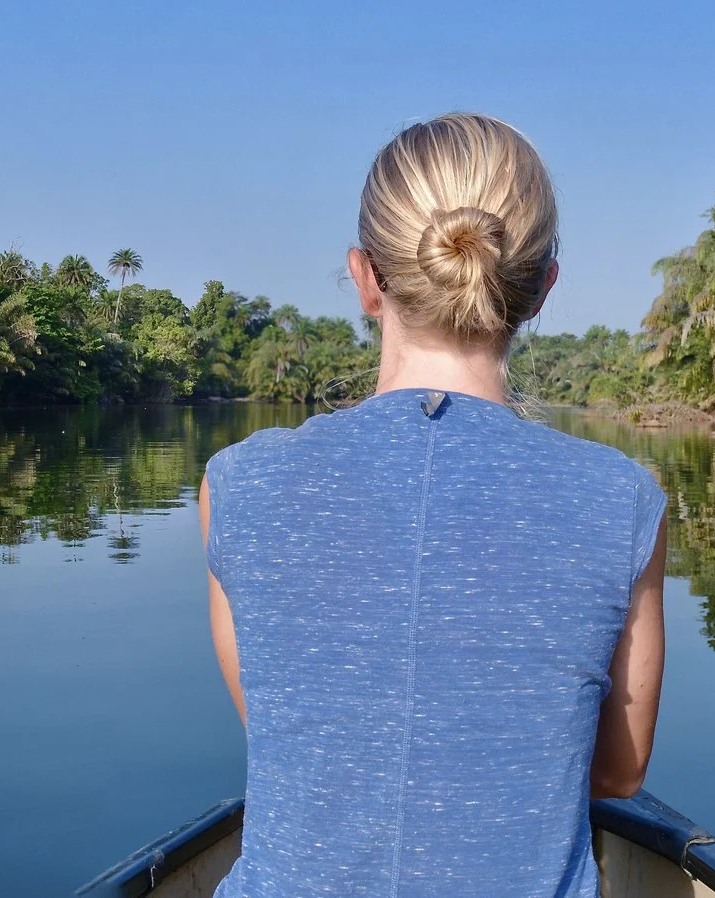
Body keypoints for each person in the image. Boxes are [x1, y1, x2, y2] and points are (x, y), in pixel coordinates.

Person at [199, 113, 668, 898]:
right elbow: (618, 773)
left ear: (365, 277)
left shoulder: (239, 484)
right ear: (543, 286)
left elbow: (296, 731)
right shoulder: (620, 500)